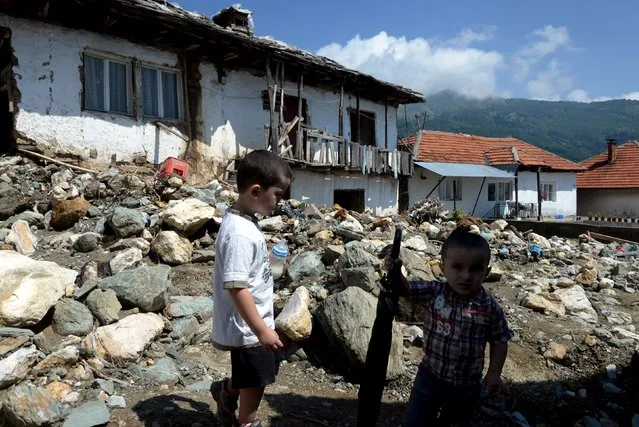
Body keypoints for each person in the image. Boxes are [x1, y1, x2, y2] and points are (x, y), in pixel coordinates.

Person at [385, 227, 512, 426]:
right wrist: (395, 272)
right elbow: (406, 289)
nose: (466, 276)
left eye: (475, 268)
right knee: (416, 421)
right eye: (457, 267)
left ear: (486, 272)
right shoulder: (435, 291)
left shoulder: (489, 307)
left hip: (467, 386)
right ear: (443, 268)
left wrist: (494, 373)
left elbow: (500, 340)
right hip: (429, 377)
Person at [210, 149, 292, 427]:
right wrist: (262, 330)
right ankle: (247, 422)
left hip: (252, 323)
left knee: (250, 373)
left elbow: (244, 273)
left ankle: (226, 392)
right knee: (257, 379)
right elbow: (236, 286)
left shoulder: (242, 220)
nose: (280, 202)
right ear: (256, 191)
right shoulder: (240, 234)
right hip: (249, 328)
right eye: (278, 195)